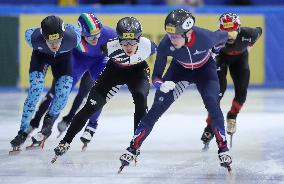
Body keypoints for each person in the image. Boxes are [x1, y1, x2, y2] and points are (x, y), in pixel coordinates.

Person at [118, 9, 233, 173]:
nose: (172, 40)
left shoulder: (205, 38)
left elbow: (223, 35)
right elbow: (156, 75)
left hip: (205, 71)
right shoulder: (166, 43)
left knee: (212, 103)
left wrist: (216, 49)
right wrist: (160, 84)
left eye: (176, 36)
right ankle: (133, 147)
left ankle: (223, 147)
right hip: (179, 71)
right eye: (170, 35)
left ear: (188, 32)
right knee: (157, 108)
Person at [51, 16, 157, 162]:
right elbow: (92, 56)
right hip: (114, 73)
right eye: (124, 42)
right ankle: (65, 142)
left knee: (140, 99)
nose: (129, 47)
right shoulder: (108, 47)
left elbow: (164, 55)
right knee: (90, 106)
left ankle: (135, 146)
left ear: (140, 38)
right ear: (117, 39)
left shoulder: (148, 46)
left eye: (133, 41)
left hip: (138, 73)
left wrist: (159, 77)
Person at [27, 13, 117, 149]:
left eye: (98, 35)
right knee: (62, 91)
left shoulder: (109, 33)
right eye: (91, 36)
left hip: (98, 61)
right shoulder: (74, 36)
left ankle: (92, 125)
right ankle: (47, 126)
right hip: (77, 60)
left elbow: (125, 49)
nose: (95, 39)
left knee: (101, 89)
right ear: (81, 33)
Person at [9, 15, 81, 154]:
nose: (54, 45)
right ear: (43, 36)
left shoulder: (72, 38)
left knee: (64, 93)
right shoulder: (34, 38)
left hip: (63, 60)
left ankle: (49, 120)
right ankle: (22, 132)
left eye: (58, 40)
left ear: (63, 34)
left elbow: (76, 27)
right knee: (35, 91)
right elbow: (29, 31)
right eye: (50, 41)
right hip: (41, 58)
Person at [200, 13, 262, 149]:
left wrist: (250, 45)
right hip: (221, 58)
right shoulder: (215, 38)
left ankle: (232, 115)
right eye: (225, 32)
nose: (229, 36)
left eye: (232, 32)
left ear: (239, 29)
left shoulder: (249, 33)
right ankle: (210, 126)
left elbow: (259, 30)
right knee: (217, 93)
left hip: (240, 60)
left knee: (241, 93)